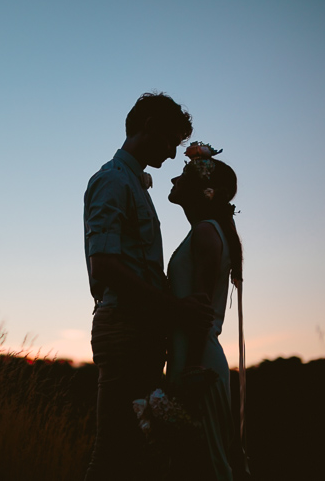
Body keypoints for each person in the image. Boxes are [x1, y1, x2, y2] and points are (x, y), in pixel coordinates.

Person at [83, 92, 212, 481]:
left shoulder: (133, 184)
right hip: (123, 328)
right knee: (112, 451)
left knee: (134, 454)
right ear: (150, 126)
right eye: (172, 140)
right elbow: (104, 266)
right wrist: (175, 309)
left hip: (137, 330)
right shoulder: (112, 181)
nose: (174, 154)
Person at [165, 142, 248, 480]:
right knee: (192, 461)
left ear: (205, 191)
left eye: (183, 175)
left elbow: (199, 308)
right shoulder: (205, 232)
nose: (173, 180)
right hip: (190, 355)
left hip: (199, 359)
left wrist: (194, 369)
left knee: (208, 464)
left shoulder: (205, 232)